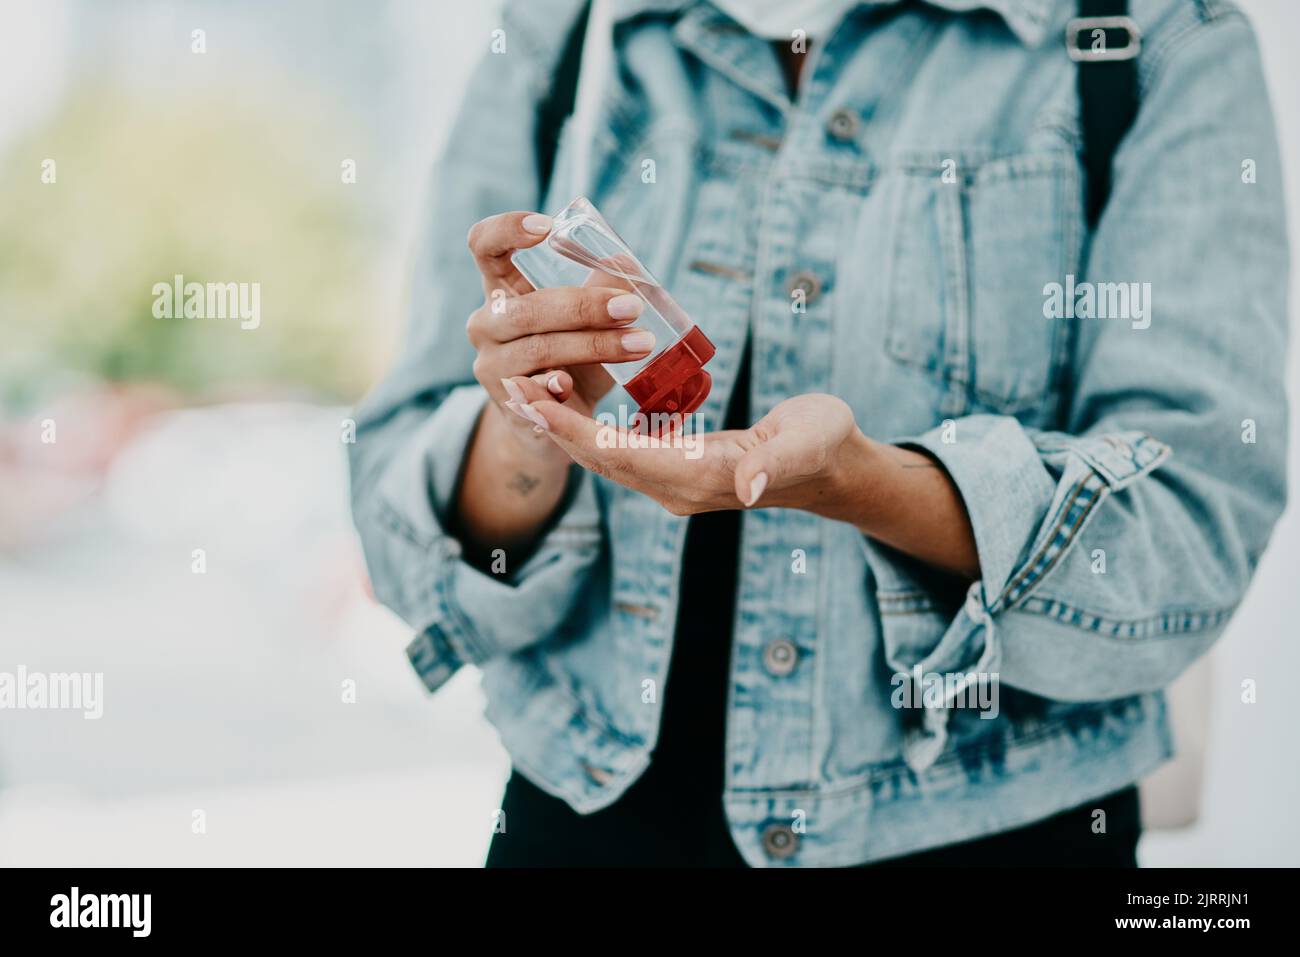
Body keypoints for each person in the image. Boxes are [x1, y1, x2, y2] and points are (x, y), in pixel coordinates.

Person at [349, 0, 1289, 867]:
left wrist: (867, 483)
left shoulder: (1156, 35)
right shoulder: (569, 28)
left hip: (991, 838)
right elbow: (400, 520)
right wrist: (531, 431)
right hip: (583, 825)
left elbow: (1192, 521)